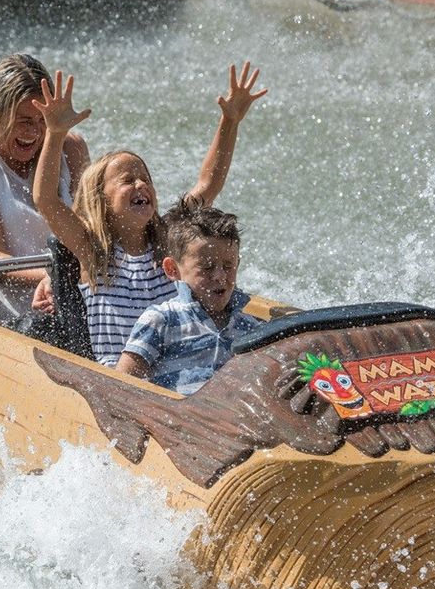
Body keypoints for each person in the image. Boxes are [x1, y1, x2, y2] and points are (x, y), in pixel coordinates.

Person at [31, 64, 267, 366]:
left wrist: (230, 120)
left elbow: (209, 183)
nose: (141, 184)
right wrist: (55, 133)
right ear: (100, 200)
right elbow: (46, 199)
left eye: (145, 179)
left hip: (175, 373)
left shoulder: (169, 238)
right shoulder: (94, 251)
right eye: (128, 180)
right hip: (118, 381)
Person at [0, 54, 90, 322]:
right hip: (15, 319)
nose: (34, 132)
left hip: (77, 298)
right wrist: (53, 277)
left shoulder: (70, 147)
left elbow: (92, 232)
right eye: (24, 121)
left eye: (43, 121)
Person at [116, 199, 263, 394]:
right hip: (175, 420)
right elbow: (121, 385)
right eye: (207, 267)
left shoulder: (251, 329)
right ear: (172, 269)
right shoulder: (161, 321)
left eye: (228, 266)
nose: (220, 276)